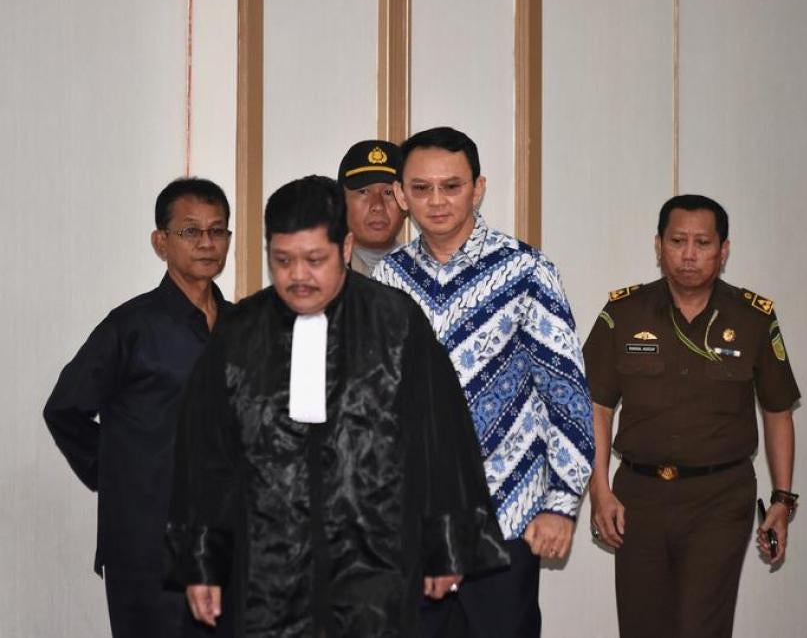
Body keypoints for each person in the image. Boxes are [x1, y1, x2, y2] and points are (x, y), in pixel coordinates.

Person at [167, 174, 508, 637]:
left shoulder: (396, 322)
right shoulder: (240, 331)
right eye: (282, 260)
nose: (298, 276)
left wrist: (445, 545)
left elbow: (441, 439)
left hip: (375, 564)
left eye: (315, 260)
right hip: (268, 572)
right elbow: (205, 456)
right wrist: (202, 561)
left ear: (345, 248)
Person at [374, 126, 595, 638]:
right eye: (422, 188)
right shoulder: (386, 281)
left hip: (507, 513)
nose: (437, 201)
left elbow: (565, 393)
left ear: (478, 188)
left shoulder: (526, 270)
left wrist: (561, 503)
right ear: (403, 196)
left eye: (451, 186)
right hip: (415, 521)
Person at [582, 194, 800, 637]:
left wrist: (781, 500)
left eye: (702, 242)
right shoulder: (622, 314)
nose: (688, 254)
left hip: (719, 498)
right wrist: (600, 489)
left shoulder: (754, 317)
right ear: (658, 245)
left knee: (701, 626)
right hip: (637, 498)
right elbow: (597, 408)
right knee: (643, 626)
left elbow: (777, 412)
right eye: (677, 240)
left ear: (724, 250)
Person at [43, 177, 233, 638]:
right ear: (160, 242)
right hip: (146, 546)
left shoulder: (242, 326)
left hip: (225, 546)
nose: (207, 243)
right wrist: (119, 473)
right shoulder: (130, 327)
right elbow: (64, 410)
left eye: (218, 230)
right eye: (191, 232)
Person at [337, 139, 407, 275]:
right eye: (363, 192)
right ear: (341, 200)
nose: (378, 206)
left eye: (388, 193)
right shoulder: (324, 277)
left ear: (406, 201)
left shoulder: (428, 280)